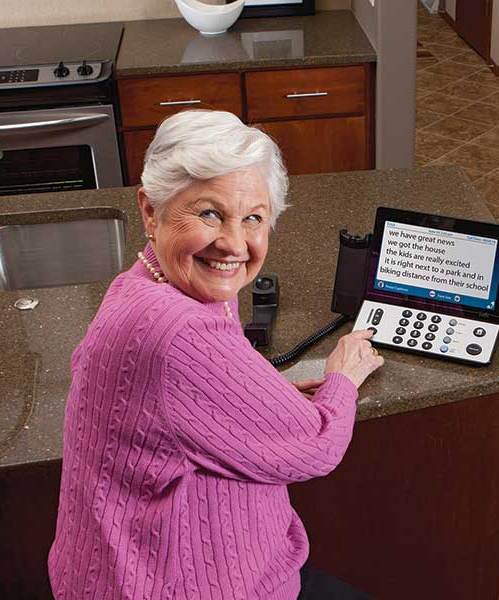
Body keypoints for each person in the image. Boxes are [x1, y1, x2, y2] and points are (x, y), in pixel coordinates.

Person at [48, 110, 384, 599]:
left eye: (253, 218)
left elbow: (167, 409)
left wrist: (246, 397)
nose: (233, 242)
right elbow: (316, 444)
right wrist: (342, 379)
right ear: (149, 210)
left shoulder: (145, 282)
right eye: (209, 213)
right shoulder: (180, 331)